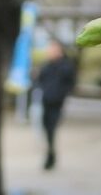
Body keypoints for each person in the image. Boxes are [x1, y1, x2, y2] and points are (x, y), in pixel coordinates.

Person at [36, 41, 77, 170]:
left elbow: (70, 83)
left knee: (52, 128)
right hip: (46, 101)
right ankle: (50, 153)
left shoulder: (66, 66)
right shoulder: (46, 66)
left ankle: (50, 155)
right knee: (46, 128)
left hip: (57, 102)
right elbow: (40, 80)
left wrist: (62, 94)